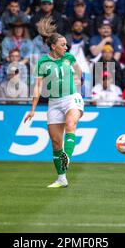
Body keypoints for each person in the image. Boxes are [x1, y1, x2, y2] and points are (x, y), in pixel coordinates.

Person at [24, 17, 84, 188]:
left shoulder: (69, 58)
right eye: (63, 45)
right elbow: (38, 87)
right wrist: (33, 109)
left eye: (66, 44)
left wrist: (78, 80)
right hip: (54, 102)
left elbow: (80, 73)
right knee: (56, 142)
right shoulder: (43, 62)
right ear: (53, 46)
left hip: (72, 97)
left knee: (71, 123)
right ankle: (61, 178)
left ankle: (67, 157)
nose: (66, 47)